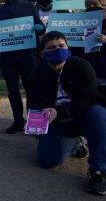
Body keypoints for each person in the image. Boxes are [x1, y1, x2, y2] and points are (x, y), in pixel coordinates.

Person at [26, 31, 106, 196]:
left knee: (99, 116)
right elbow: (35, 104)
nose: (58, 49)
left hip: (84, 115)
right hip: (57, 123)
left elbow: (87, 99)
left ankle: (98, 171)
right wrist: (37, 128)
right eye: (52, 47)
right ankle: (76, 144)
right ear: (42, 53)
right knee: (47, 161)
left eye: (61, 46)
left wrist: (59, 111)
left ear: (68, 47)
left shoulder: (82, 66)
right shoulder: (36, 74)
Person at [0, 0, 46, 133]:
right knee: (12, 91)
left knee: (32, 89)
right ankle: (17, 121)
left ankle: (33, 124)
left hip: (28, 55)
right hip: (7, 58)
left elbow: (41, 26)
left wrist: (39, 28)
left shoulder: (29, 7)